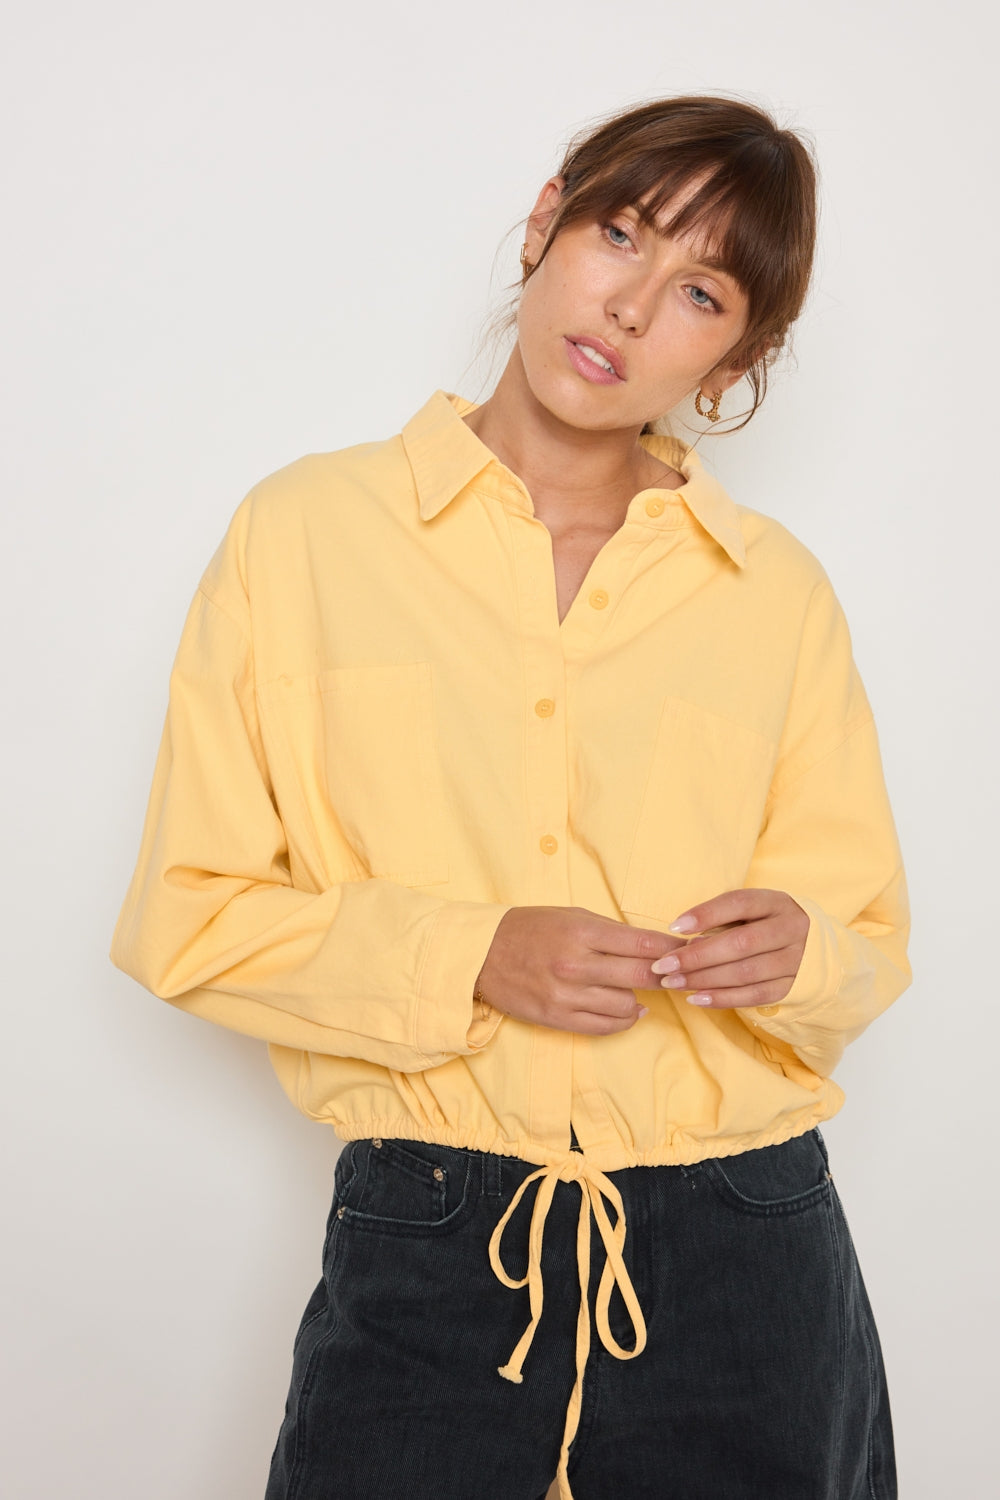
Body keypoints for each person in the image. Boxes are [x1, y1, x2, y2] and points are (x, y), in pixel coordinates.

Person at [110, 94, 911, 1500]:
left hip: (748, 1251)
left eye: (702, 293)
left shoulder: (774, 595)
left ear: (737, 356)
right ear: (548, 221)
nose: (631, 307)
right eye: (623, 234)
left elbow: (864, 948)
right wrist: (471, 953)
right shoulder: (303, 537)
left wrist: (801, 953)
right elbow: (189, 916)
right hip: (431, 1241)